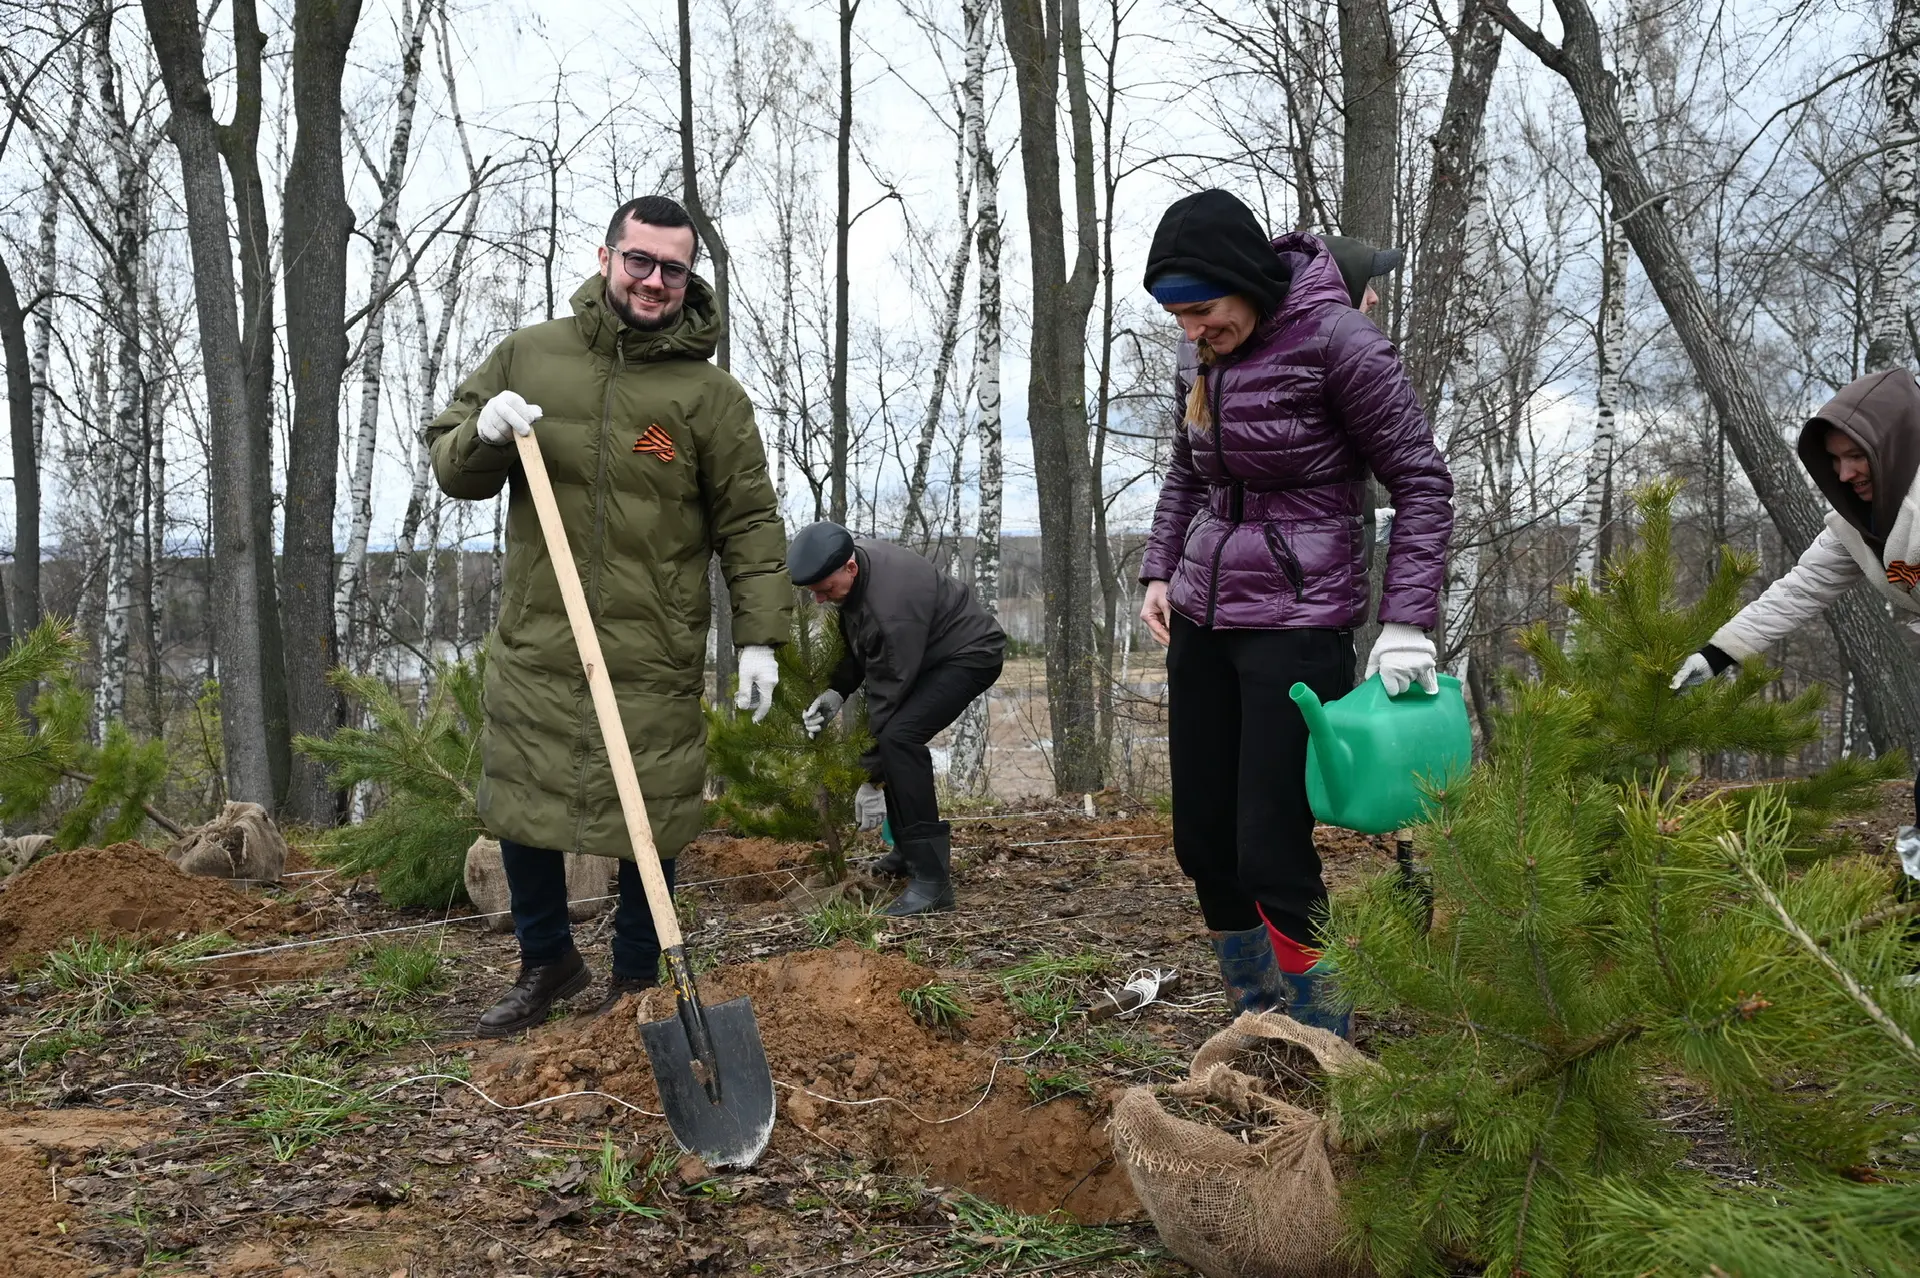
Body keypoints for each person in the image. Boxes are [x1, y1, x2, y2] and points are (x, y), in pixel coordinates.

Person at [426, 195, 790, 1036]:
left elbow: (749, 523)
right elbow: (452, 467)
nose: (654, 281)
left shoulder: (709, 397)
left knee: (652, 811)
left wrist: (761, 639)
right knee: (525, 801)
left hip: (650, 644)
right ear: (606, 258)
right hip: (542, 634)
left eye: (673, 269)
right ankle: (547, 961)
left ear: (690, 277)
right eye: (640, 261)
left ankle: (635, 978)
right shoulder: (530, 355)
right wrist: (483, 431)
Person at [1138, 190, 1454, 1035]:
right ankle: (1256, 1015)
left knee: (1269, 847)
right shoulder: (1203, 354)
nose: (1191, 331)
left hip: (1298, 621)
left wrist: (1407, 621)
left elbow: (1422, 481)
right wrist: (1160, 570)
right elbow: (1187, 470)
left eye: (1201, 311)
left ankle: (1322, 1032)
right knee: (1203, 842)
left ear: (1246, 281)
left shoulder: (1339, 342)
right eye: (1177, 317)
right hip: (1203, 614)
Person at [1672, 366, 1920, 834]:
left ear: (1894, 445)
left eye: (1857, 456)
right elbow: (1801, 587)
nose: (1845, 473)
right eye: (1835, 460)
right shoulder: (1856, 522)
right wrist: (1716, 655)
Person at [788, 521, 1007, 916]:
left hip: (970, 655)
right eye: (813, 591)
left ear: (850, 568)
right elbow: (861, 644)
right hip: (929, 653)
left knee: (900, 738)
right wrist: (837, 690)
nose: (819, 599)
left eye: (824, 589)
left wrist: (871, 779)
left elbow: (888, 695)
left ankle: (933, 882)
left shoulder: (890, 610)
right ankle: (907, 851)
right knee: (893, 737)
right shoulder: (855, 569)